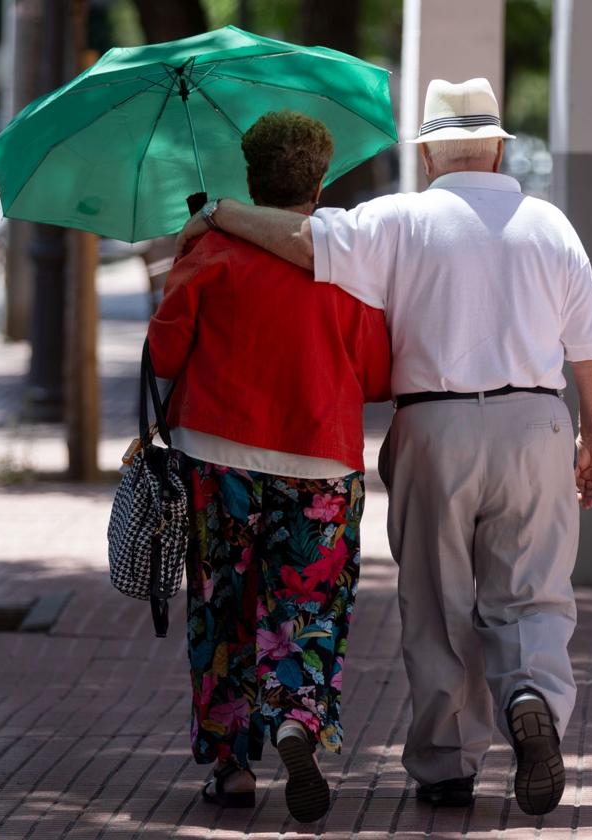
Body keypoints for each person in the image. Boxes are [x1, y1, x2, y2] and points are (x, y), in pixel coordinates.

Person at [175, 78, 592, 817]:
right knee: (533, 591)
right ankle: (532, 693)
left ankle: (446, 765)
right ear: (501, 147)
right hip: (536, 421)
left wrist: (217, 212)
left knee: (437, 601)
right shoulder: (551, 225)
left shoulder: (399, 219)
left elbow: (299, 239)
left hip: (434, 426)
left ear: (428, 154)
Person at [147, 110, 391, 824]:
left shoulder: (209, 253)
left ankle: (230, 768)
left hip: (217, 460)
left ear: (249, 179)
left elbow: (164, 357)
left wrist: (182, 261)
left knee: (223, 609)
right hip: (319, 462)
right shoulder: (348, 265)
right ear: (319, 181)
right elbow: (375, 374)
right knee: (308, 607)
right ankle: (298, 720)